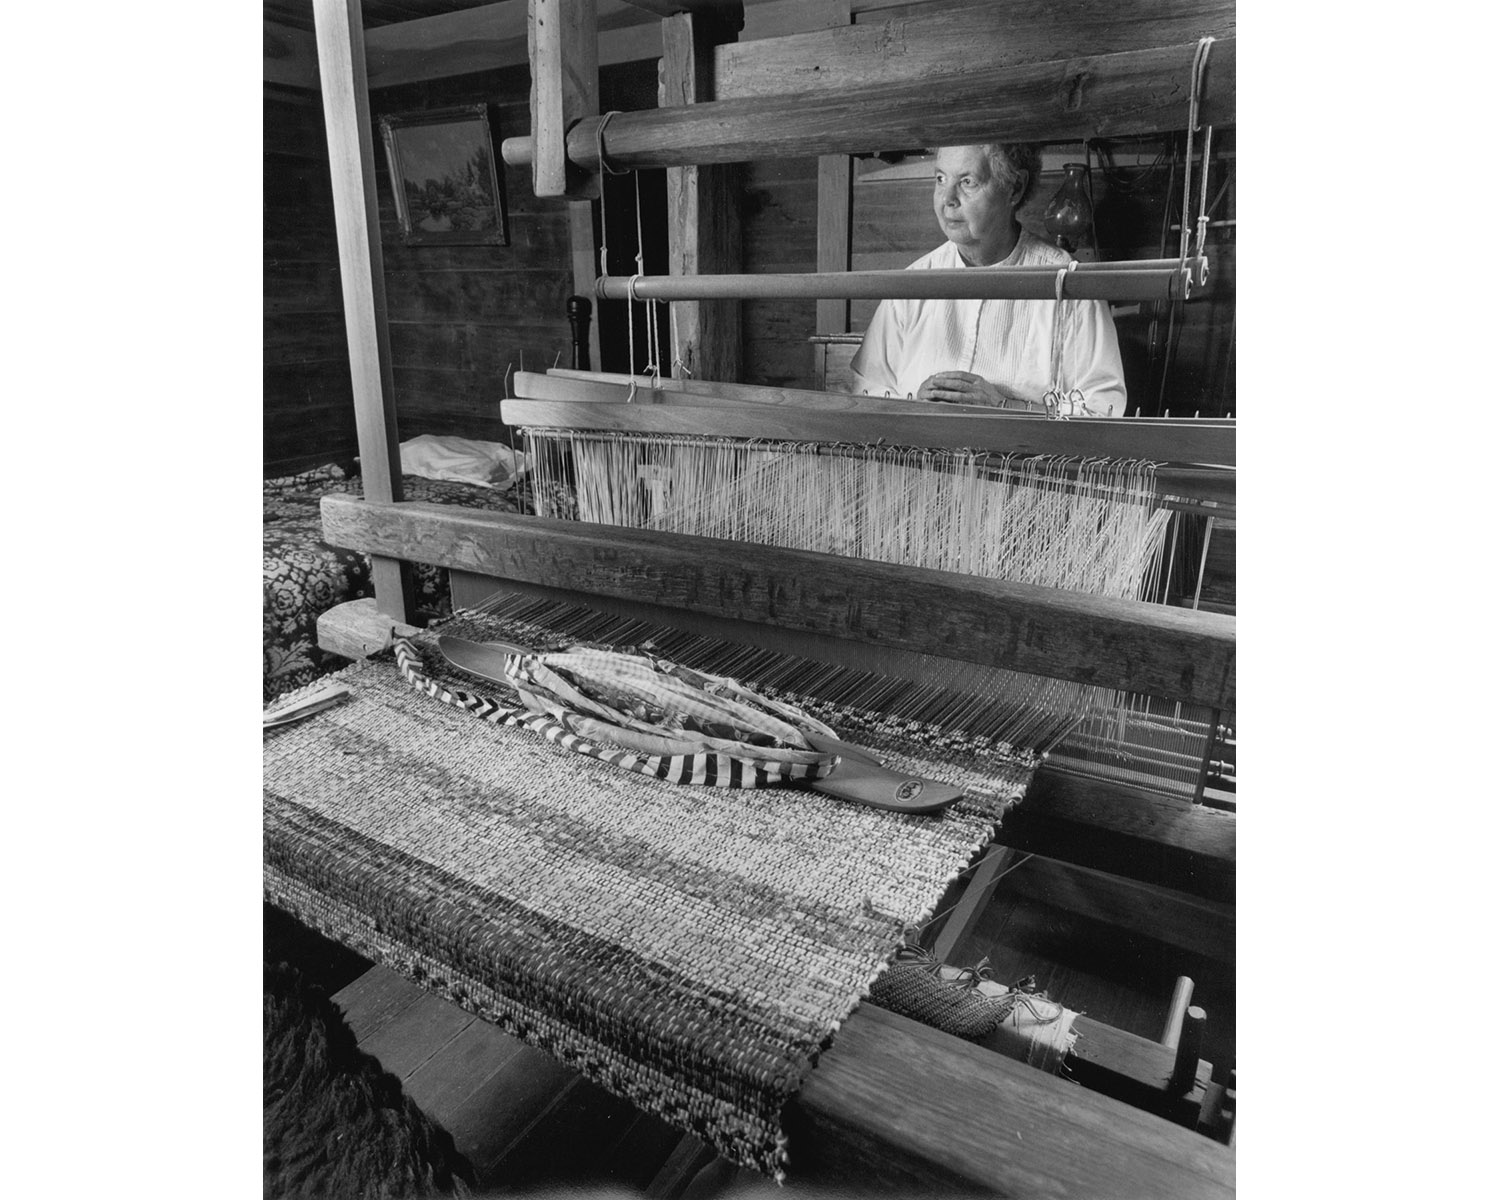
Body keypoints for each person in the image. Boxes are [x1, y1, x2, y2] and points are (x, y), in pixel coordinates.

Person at [849, 143, 1126, 416]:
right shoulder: (912, 284)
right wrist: (913, 406)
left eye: (967, 182)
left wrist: (1004, 407)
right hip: (920, 459)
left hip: (1021, 459)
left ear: (1014, 188)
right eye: (940, 179)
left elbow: (1102, 410)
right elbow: (865, 389)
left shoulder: (1066, 284)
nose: (947, 199)